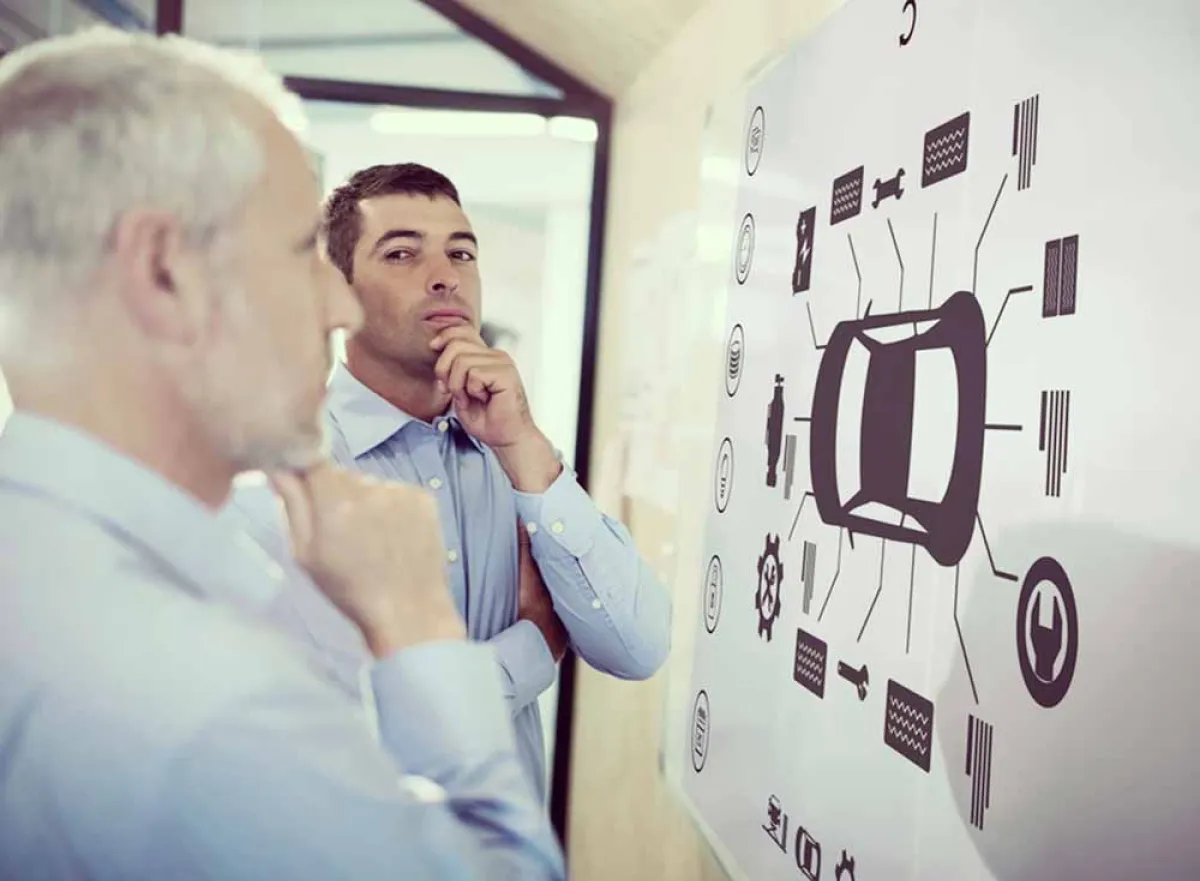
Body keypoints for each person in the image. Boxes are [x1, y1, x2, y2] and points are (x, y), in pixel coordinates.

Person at [0, 27, 564, 881]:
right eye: (304, 251)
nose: (343, 307)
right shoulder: (213, 706)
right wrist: (417, 622)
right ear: (164, 273)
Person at [224, 162, 673, 800]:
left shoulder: (517, 456)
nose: (445, 276)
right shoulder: (284, 478)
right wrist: (535, 643)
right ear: (337, 291)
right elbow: (358, 725)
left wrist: (524, 447)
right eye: (402, 253)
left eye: (461, 253)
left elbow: (637, 646)